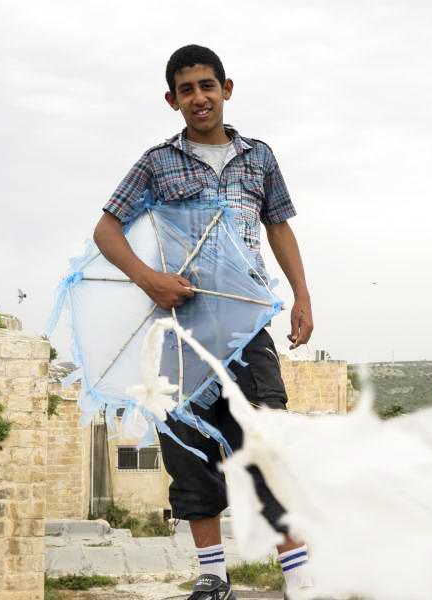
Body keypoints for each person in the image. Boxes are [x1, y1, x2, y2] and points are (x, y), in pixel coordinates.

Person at [92, 44, 315, 600]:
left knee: (266, 445)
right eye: (186, 90)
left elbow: (279, 226)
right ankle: (213, 575)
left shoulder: (258, 157)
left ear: (226, 89)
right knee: (189, 452)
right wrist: (149, 279)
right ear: (172, 100)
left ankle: (299, 577)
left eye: (207, 86)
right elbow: (106, 230)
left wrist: (302, 295)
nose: (199, 98)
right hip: (180, 332)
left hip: (245, 329)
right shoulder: (156, 162)